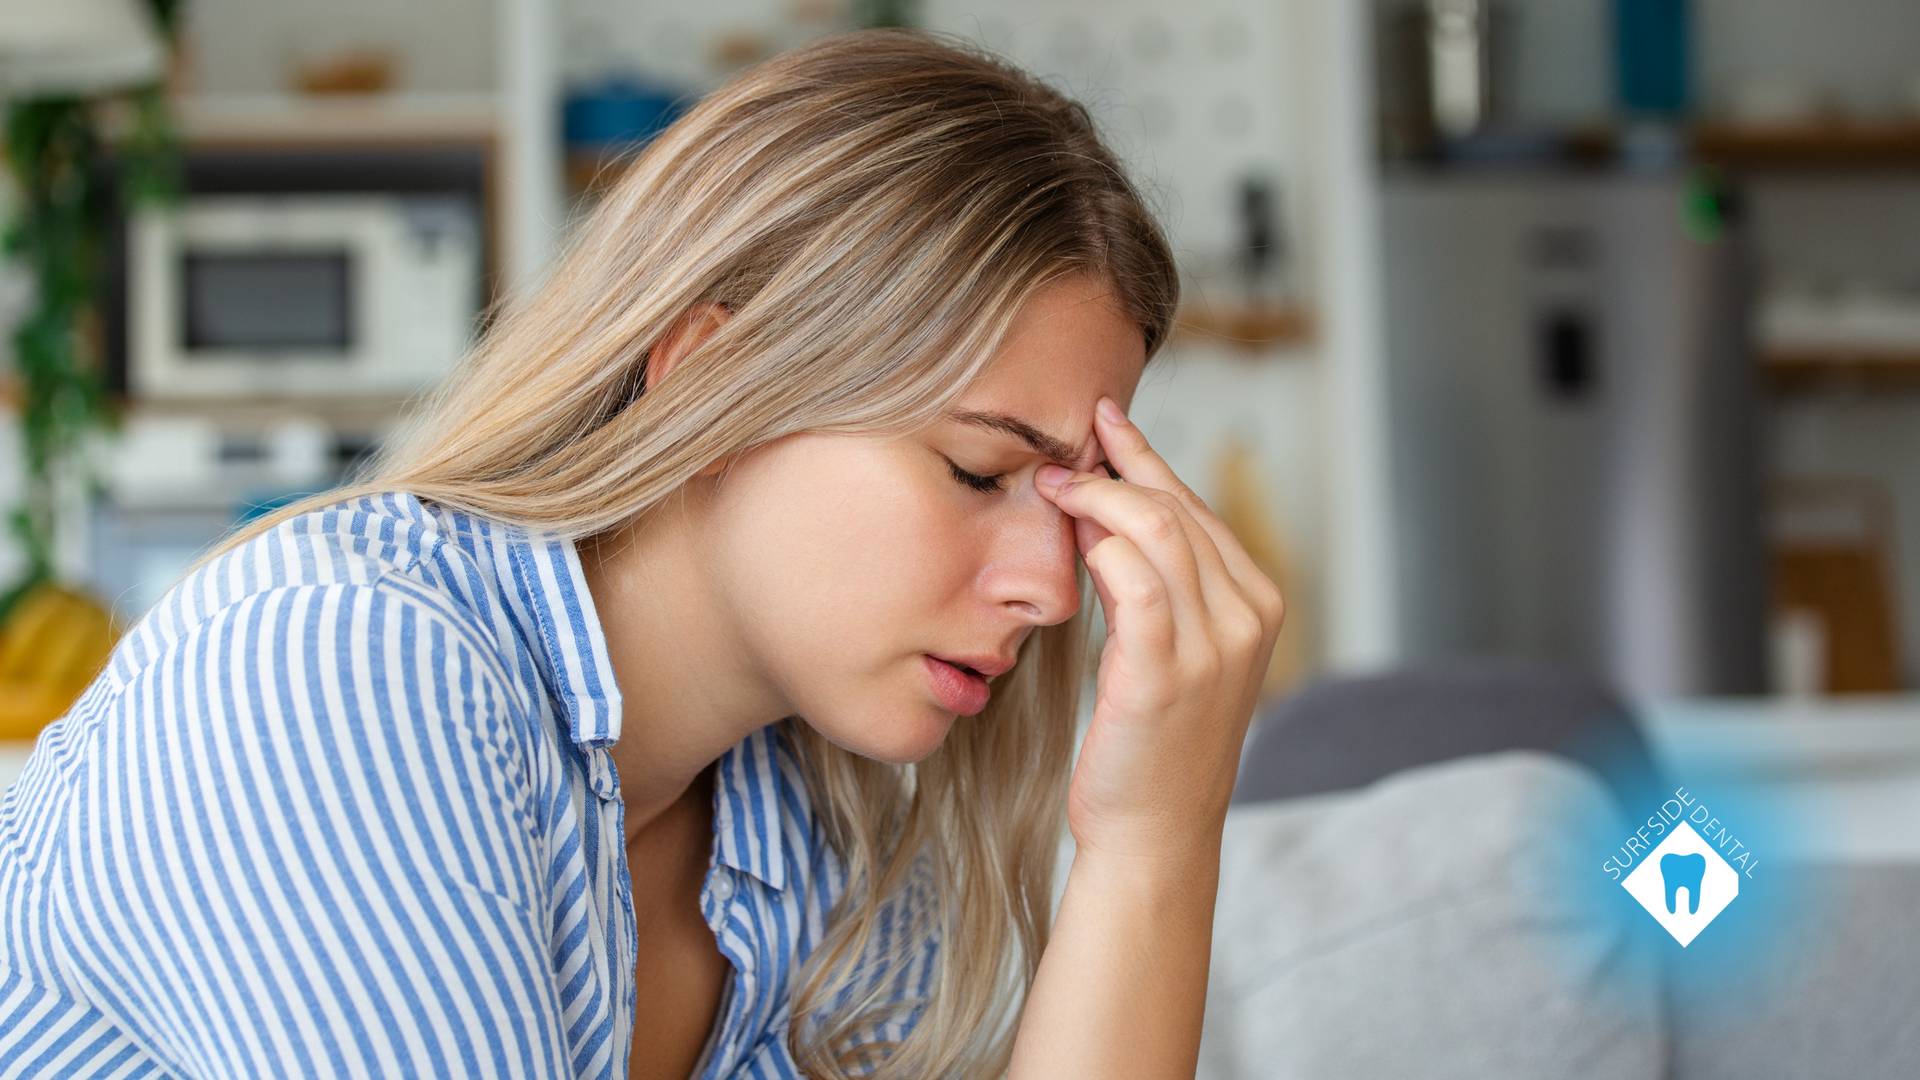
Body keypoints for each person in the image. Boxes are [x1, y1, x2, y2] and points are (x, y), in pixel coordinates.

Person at [0, 30, 1281, 1080]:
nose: (1053, 591)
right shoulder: (338, 669)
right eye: (978, 471)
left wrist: (1155, 843)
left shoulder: (825, 848)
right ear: (708, 381)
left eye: (1075, 505)